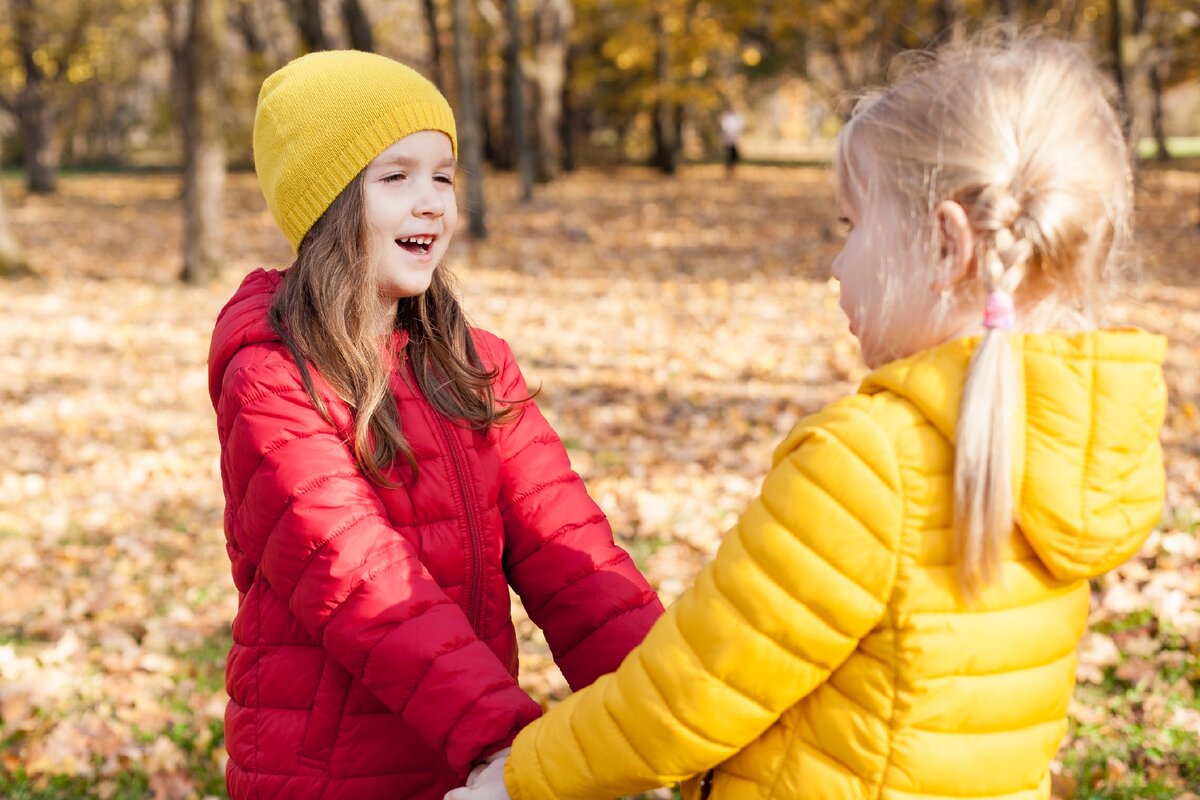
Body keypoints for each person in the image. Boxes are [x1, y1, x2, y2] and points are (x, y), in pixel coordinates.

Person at [446, 34, 1167, 800]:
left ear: (947, 243)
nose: (836, 264)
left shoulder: (870, 464)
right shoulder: (1070, 447)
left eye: (850, 227)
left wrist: (518, 780)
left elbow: (690, 694)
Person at [206, 50, 663, 800]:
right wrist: (507, 748)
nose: (432, 203)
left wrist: (664, 701)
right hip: (329, 771)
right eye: (396, 177)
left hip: (463, 758)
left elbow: (567, 545)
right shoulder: (272, 375)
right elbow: (353, 572)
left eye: (442, 175)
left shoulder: (473, 363)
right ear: (326, 205)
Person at [719, 107, 745, 177]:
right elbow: (723, 127)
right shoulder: (725, 117)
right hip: (727, 139)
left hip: (735, 139)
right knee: (728, 155)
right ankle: (728, 169)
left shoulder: (737, 117)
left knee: (734, 155)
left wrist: (736, 134)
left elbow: (741, 126)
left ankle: (733, 168)